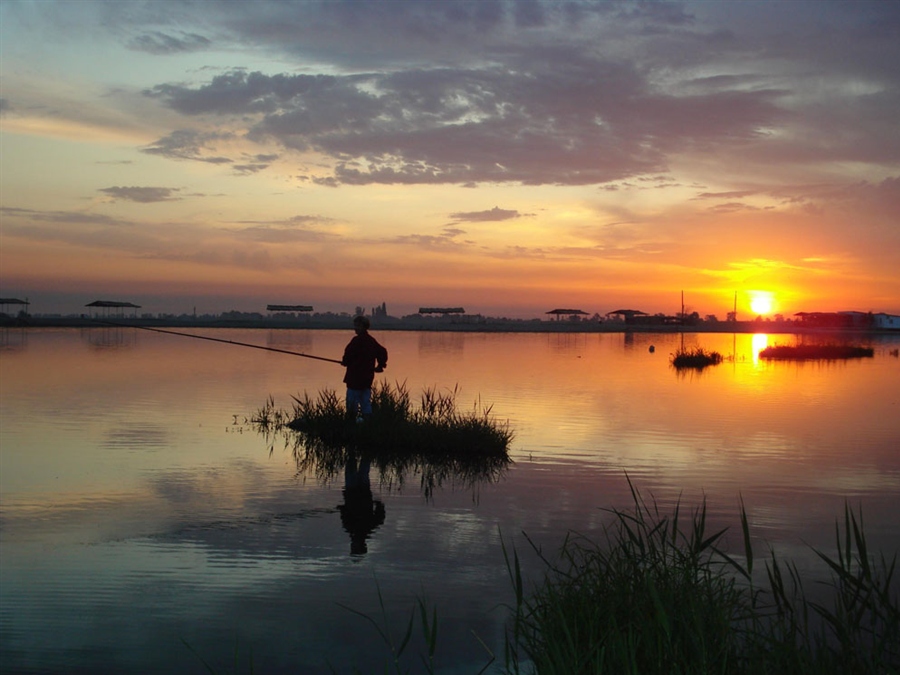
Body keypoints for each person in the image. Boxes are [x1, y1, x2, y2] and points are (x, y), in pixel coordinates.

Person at [341, 315, 388, 421]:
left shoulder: (356, 341)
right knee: (366, 403)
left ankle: (351, 423)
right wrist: (381, 365)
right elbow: (382, 352)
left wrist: (345, 362)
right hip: (367, 379)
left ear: (363, 326)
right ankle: (367, 423)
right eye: (355, 325)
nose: (355, 328)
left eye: (357, 325)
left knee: (352, 404)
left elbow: (348, 354)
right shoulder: (372, 341)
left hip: (354, 379)